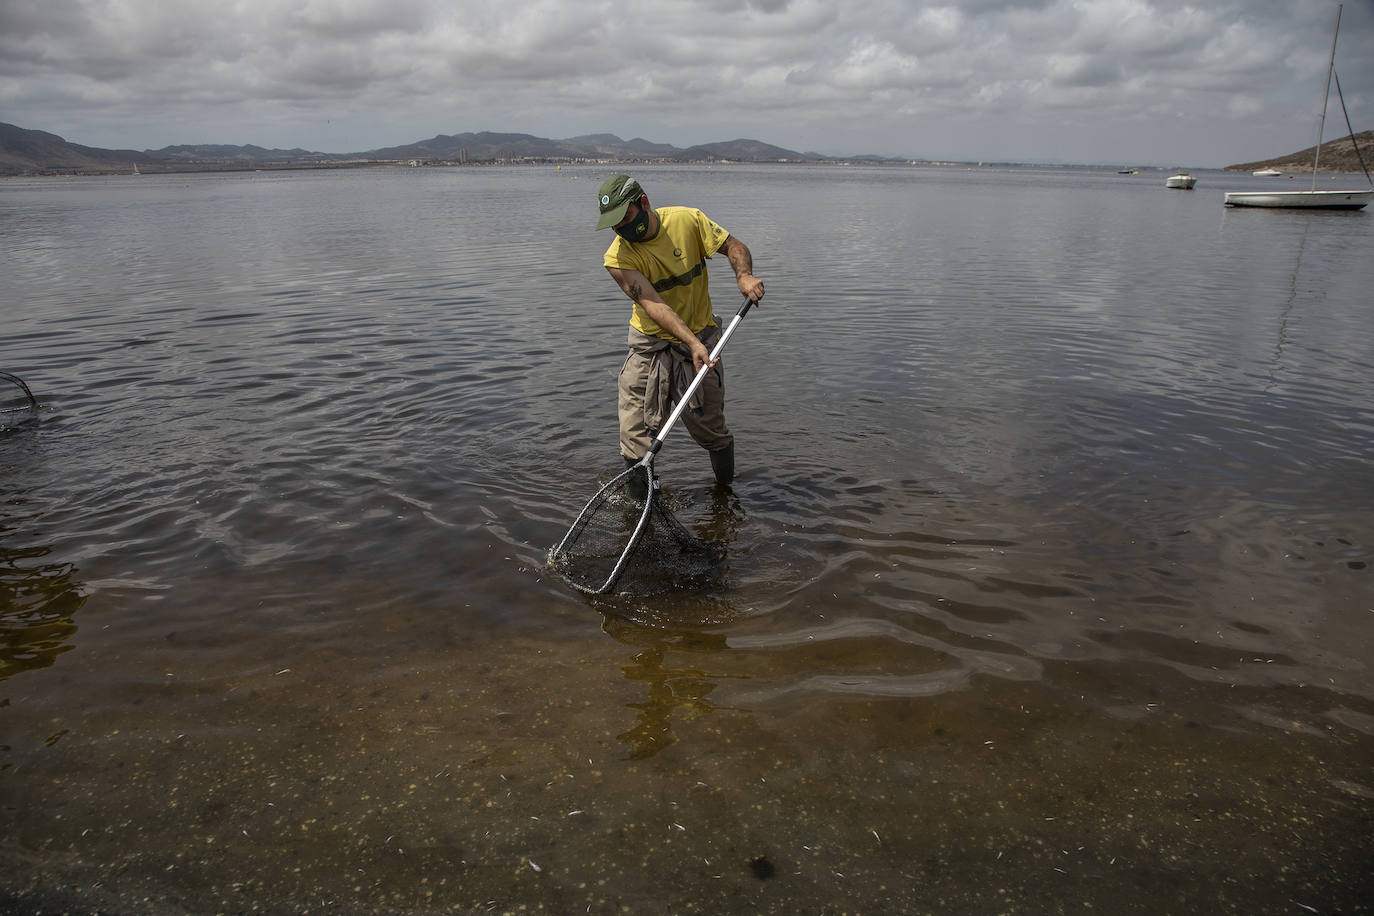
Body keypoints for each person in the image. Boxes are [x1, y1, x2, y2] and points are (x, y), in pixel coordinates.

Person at [595, 174, 766, 493]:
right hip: (650, 345)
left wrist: (744, 276)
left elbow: (733, 245)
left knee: (711, 431)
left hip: (701, 339)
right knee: (635, 436)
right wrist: (690, 341)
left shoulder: (688, 221)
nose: (620, 230)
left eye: (625, 219)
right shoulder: (617, 258)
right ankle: (640, 507)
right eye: (614, 225)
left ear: (643, 203)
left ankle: (724, 495)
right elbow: (654, 306)